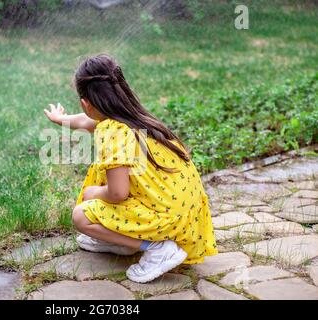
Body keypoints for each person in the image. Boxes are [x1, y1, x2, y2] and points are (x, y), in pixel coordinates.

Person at [44, 54, 217, 283]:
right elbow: (86, 121)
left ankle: (157, 248)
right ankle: (121, 240)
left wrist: (92, 193)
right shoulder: (133, 117)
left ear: (86, 103)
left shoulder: (113, 133)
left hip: (167, 220)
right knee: (102, 172)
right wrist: (61, 119)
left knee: (81, 216)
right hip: (184, 214)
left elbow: (118, 193)